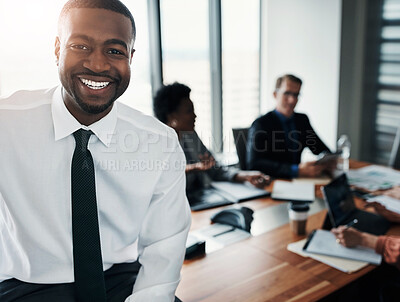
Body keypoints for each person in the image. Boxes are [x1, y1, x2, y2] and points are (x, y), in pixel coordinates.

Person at [0, 1, 190, 301]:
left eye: (115, 50)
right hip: (26, 285)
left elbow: (164, 245)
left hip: (119, 279)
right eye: (81, 46)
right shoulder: (5, 124)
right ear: (56, 49)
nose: (98, 64)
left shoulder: (161, 143)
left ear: (131, 56)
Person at [153, 82, 270, 193]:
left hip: (200, 198)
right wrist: (192, 168)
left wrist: (245, 176)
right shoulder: (156, 144)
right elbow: (160, 178)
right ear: (172, 117)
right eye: (189, 111)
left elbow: (214, 169)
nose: (195, 115)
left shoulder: (190, 135)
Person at [246, 74, 332, 179]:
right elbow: (254, 164)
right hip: (273, 182)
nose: (292, 100)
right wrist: (296, 170)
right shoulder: (261, 123)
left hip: (298, 181)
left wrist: (324, 162)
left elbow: (321, 149)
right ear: (275, 94)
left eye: (296, 95)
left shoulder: (302, 120)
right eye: (287, 93)